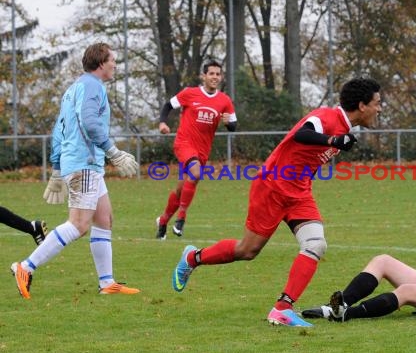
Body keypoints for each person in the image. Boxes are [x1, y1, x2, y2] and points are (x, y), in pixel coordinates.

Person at [171, 77, 382, 327]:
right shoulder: (326, 117)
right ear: (361, 105)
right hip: (272, 186)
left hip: (299, 192)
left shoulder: (345, 129)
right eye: (377, 103)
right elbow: (302, 134)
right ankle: (193, 258)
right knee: (247, 250)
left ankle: (282, 308)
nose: (379, 109)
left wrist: (335, 142)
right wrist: (332, 141)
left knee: (316, 244)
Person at [10, 42, 140, 299]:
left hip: (81, 164)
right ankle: (26, 267)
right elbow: (90, 124)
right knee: (79, 225)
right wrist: (113, 152)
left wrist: (57, 169)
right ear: (101, 62)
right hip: (85, 164)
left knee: (104, 219)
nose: (115, 64)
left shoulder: (73, 89)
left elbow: (60, 131)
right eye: (113, 60)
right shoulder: (93, 87)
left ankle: (107, 282)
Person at [155, 59, 237, 240]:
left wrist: (228, 123)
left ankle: (162, 221)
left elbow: (233, 125)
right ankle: (181, 218)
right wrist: (162, 122)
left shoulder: (224, 100)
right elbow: (168, 105)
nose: (215, 77)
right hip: (184, 143)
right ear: (204, 76)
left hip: (202, 150)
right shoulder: (190, 94)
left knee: (181, 189)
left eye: (218, 74)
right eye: (211, 74)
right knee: (196, 172)